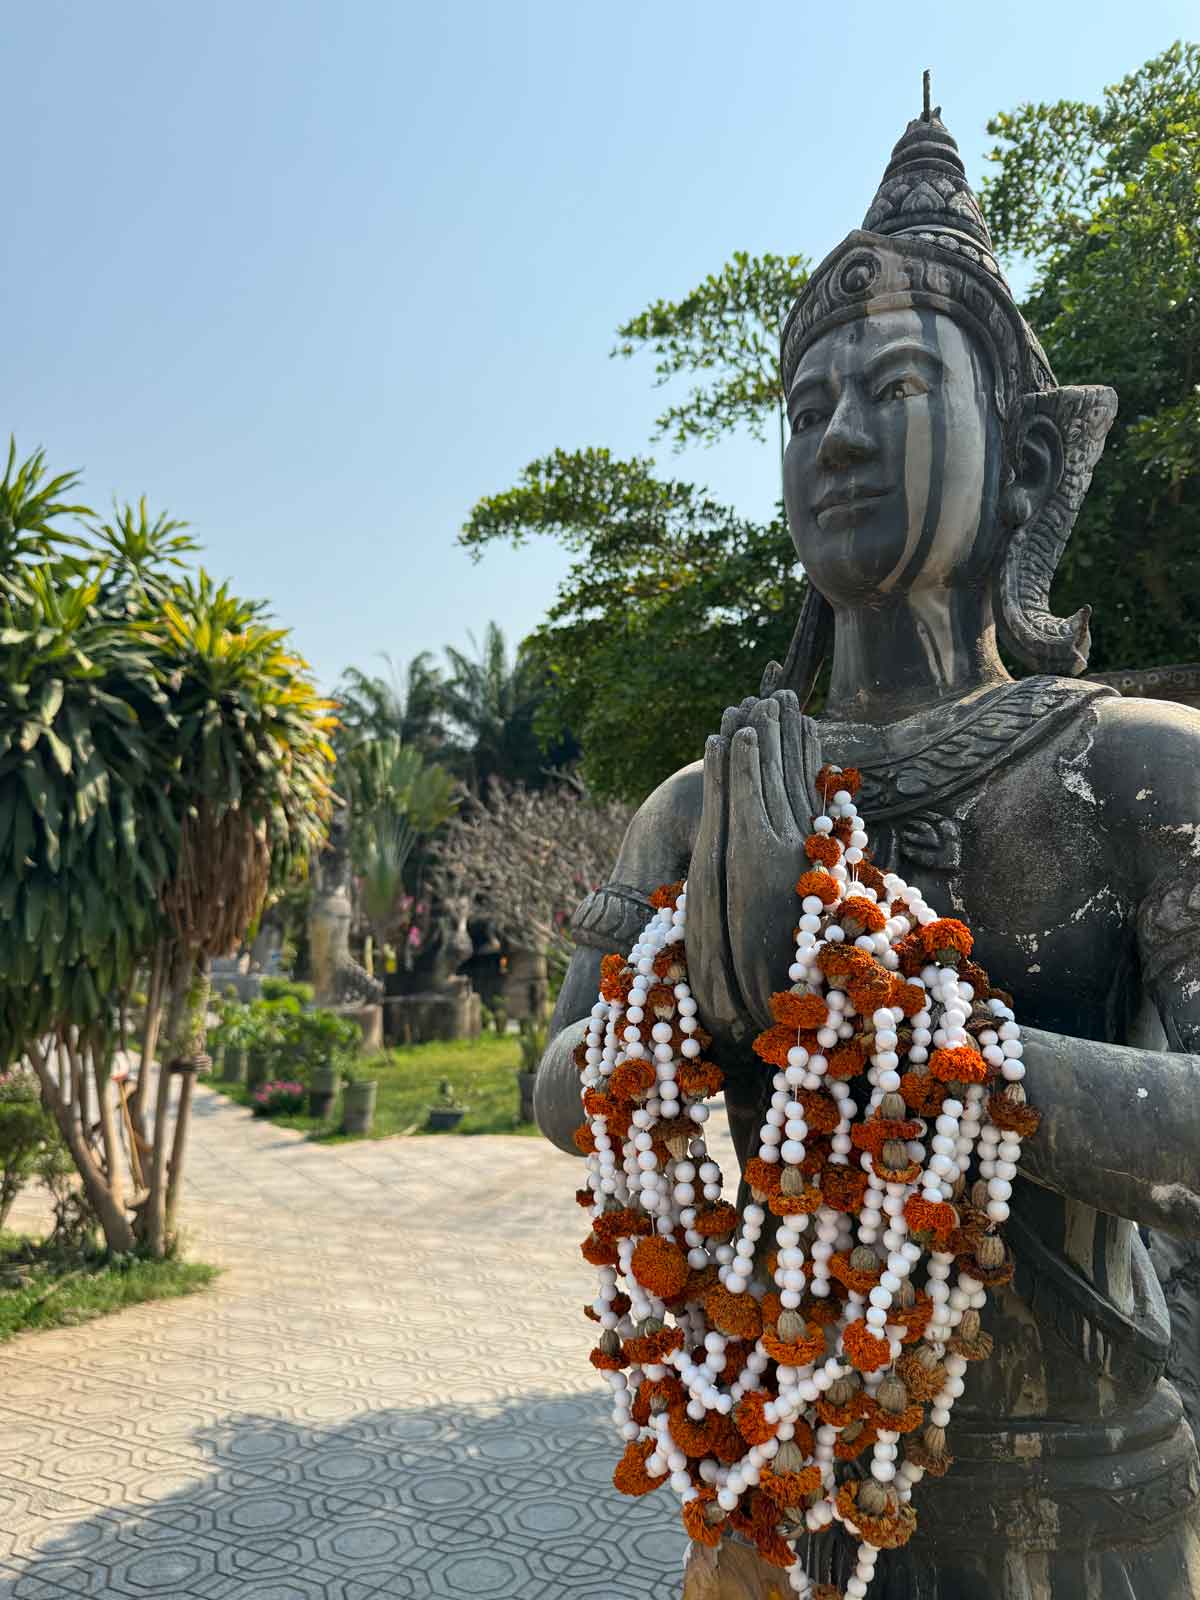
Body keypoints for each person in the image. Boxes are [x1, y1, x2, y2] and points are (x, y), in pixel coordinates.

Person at [538, 96, 1200, 1596]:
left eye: (893, 389)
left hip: (1081, 1496)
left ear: (1026, 464)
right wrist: (701, 1002)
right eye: (804, 407)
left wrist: (878, 1019)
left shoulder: (1130, 772)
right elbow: (565, 1087)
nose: (835, 436)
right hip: (779, 1480)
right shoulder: (707, 805)